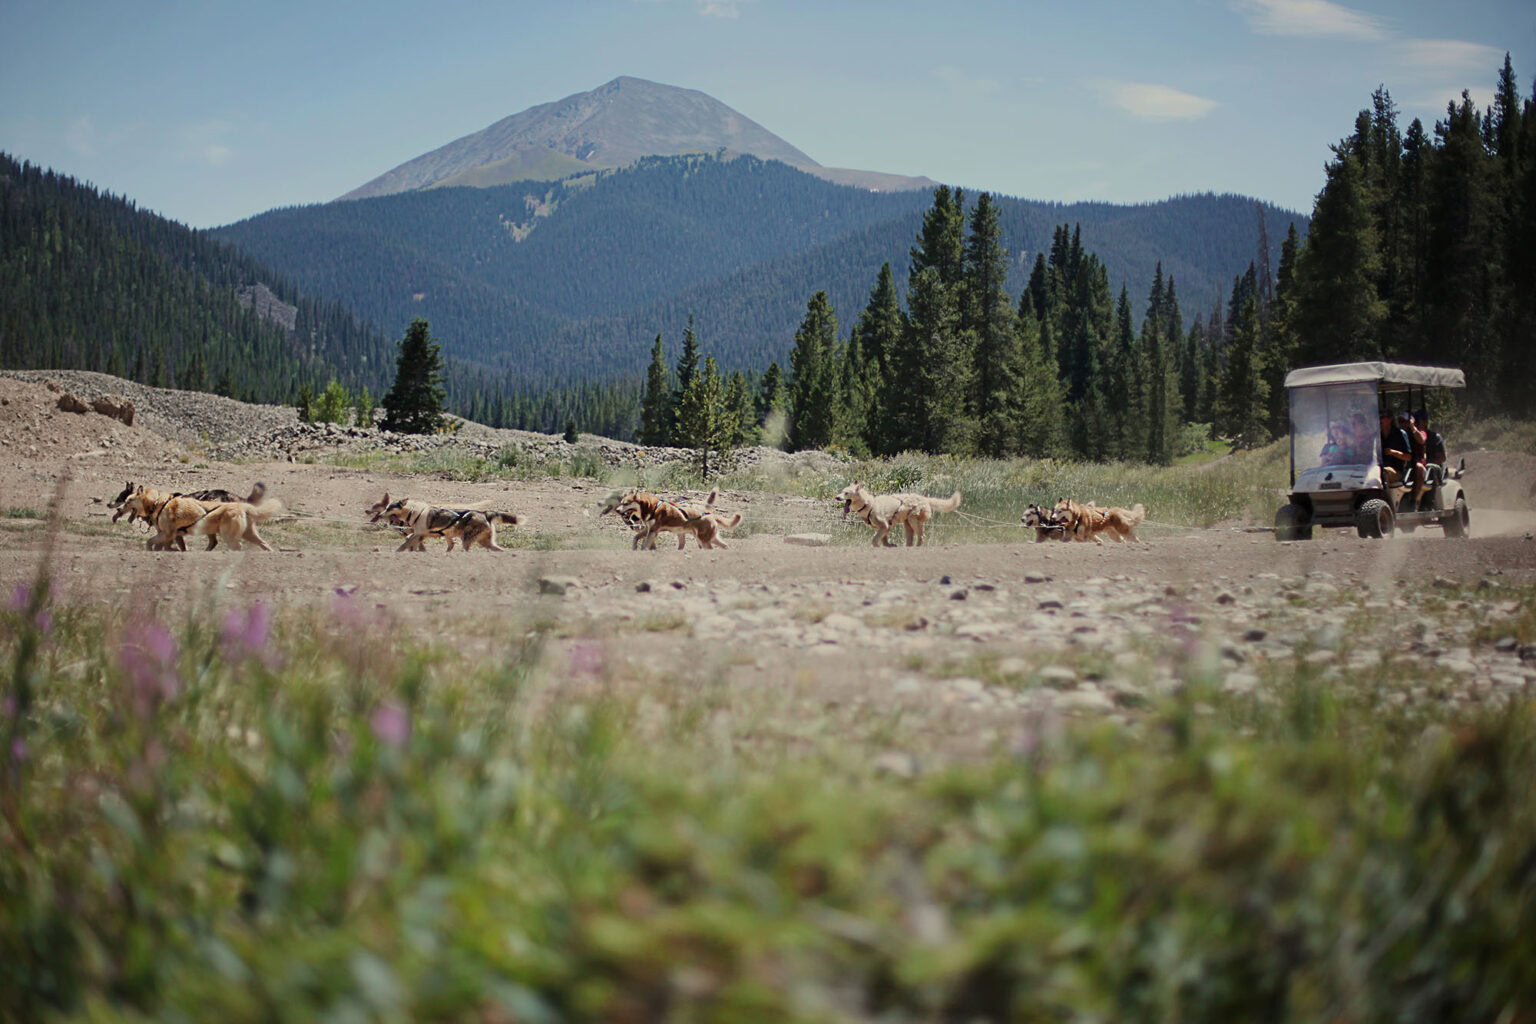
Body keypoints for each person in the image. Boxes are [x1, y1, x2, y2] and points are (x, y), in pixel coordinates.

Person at [1379, 410, 1414, 491]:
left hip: (1396, 471)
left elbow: (1408, 457)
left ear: (1390, 419)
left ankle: (1384, 500)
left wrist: (1393, 452)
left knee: (1383, 472)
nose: (1379, 420)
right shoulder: (1376, 435)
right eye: (1379, 418)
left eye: (1382, 417)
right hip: (1378, 467)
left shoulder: (1400, 434)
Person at [1417, 409, 1447, 486]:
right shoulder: (1412, 437)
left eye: (1418, 421)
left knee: (1430, 468)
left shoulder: (1434, 438)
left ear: (1425, 422)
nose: (1416, 424)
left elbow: (1442, 458)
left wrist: (1426, 463)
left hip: (1433, 472)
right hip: (1418, 469)